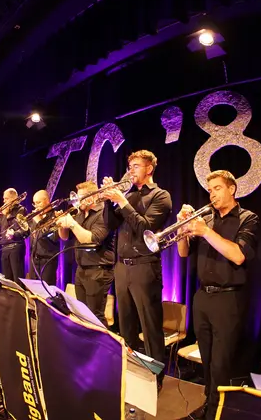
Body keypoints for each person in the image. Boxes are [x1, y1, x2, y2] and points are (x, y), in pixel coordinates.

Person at [177, 170, 259, 420]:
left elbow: (238, 255)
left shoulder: (248, 218)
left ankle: (217, 412)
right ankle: (209, 404)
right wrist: (182, 229)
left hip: (229, 299)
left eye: (217, 188)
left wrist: (205, 232)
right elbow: (182, 253)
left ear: (231, 189)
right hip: (202, 297)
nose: (212, 194)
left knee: (221, 363)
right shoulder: (206, 219)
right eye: (210, 190)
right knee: (207, 359)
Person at [102, 150, 171, 390]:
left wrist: (122, 201)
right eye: (129, 166)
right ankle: (130, 372)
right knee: (126, 326)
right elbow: (110, 224)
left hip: (144, 267)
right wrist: (108, 200)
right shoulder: (128, 195)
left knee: (150, 328)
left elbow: (145, 229)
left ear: (149, 168)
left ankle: (155, 379)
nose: (131, 170)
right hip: (122, 268)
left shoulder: (160, 196)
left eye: (136, 166)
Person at [56, 181, 115, 326]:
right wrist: (61, 225)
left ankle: (102, 340)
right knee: (82, 313)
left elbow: (90, 240)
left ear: (92, 197)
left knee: (95, 315)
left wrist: (72, 224)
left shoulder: (103, 214)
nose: (77, 201)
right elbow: (65, 237)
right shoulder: (80, 215)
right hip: (81, 269)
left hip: (98, 270)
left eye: (81, 197)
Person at [10, 189, 60, 286]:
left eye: (38, 202)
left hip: (47, 262)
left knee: (46, 291)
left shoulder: (55, 216)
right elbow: (28, 232)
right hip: (34, 260)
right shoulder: (36, 217)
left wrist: (39, 221)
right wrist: (15, 234)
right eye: (34, 203)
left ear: (47, 201)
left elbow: (53, 237)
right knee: (34, 290)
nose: (36, 206)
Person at [0, 188, 27, 283]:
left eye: (6, 198)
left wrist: (7, 216)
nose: (4, 201)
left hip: (15, 247)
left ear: (13, 199)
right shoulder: (5, 212)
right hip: (4, 248)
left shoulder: (21, 210)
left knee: (17, 279)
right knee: (7, 280)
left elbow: (20, 228)